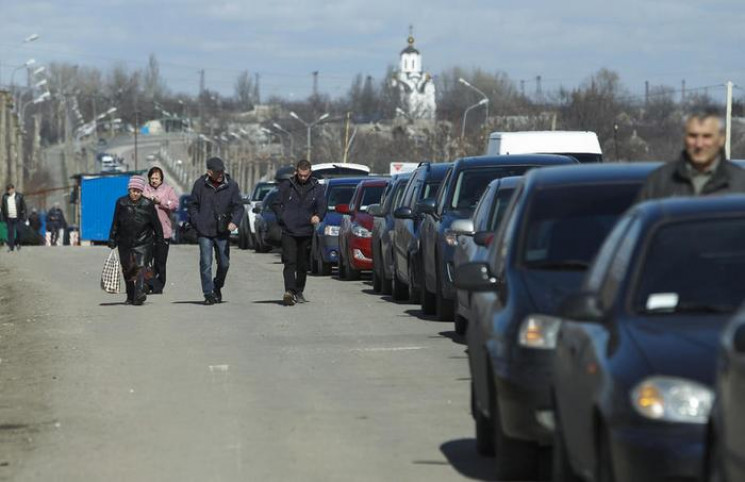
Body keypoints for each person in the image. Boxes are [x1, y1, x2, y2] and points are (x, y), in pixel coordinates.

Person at [637, 111, 745, 201]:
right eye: (693, 136)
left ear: (721, 139)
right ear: (684, 137)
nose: (699, 144)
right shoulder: (659, 182)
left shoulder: (740, 183)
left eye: (707, 136)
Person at [187, 157, 244, 305]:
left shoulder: (231, 185)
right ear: (209, 172)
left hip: (222, 231)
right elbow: (192, 206)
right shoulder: (200, 185)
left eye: (222, 171)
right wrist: (197, 221)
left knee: (224, 264)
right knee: (206, 263)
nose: (220, 174)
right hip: (204, 230)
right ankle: (208, 294)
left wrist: (234, 222)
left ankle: (217, 286)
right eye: (217, 172)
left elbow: (239, 207)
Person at [272, 159, 327, 306]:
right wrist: (282, 217)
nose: (303, 178)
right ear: (296, 172)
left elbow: (322, 205)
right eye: (301, 175)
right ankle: (289, 292)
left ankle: (299, 290)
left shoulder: (317, 188)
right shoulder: (287, 185)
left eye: (306, 175)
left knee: (302, 264)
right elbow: (276, 203)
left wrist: (318, 216)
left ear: (310, 173)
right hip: (289, 230)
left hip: (306, 231)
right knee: (289, 262)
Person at [107, 176, 164, 306]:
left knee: (140, 268)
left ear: (142, 191)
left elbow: (156, 224)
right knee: (128, 269)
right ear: (129, 189)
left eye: (138, 191)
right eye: (133, 190)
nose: (135, 193)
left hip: (143, 241)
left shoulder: (147, 204)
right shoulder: (121, 203)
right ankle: (130, 295)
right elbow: (115, 222)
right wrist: (112, 238)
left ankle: (138, 295)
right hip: (124, 241)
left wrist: (160, 239)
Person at [142, 166, 179, 294]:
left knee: (160, 261)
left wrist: (161, 201)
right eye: (152, 178)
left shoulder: (169, 189)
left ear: (161, 178)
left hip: (164, 232)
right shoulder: (144, 189)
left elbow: (175, 204)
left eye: (156, 178)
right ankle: (147, 284)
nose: (154, 181)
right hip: (147, 231)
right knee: (146, 260)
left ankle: (158, 286)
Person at [1, 184, 27, 252]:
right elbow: (3, 208)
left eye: (10, 189)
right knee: (10, 233)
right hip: (9, 217)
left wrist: (24, 216)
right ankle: (11, 247)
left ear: (13, 189)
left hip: (18, 217)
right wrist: (3, 218)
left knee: (19, 231)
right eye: (8, 190)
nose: (9, 191)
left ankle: (18, 243)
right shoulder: (5, 197)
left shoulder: (19, 196)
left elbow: (24, 207)